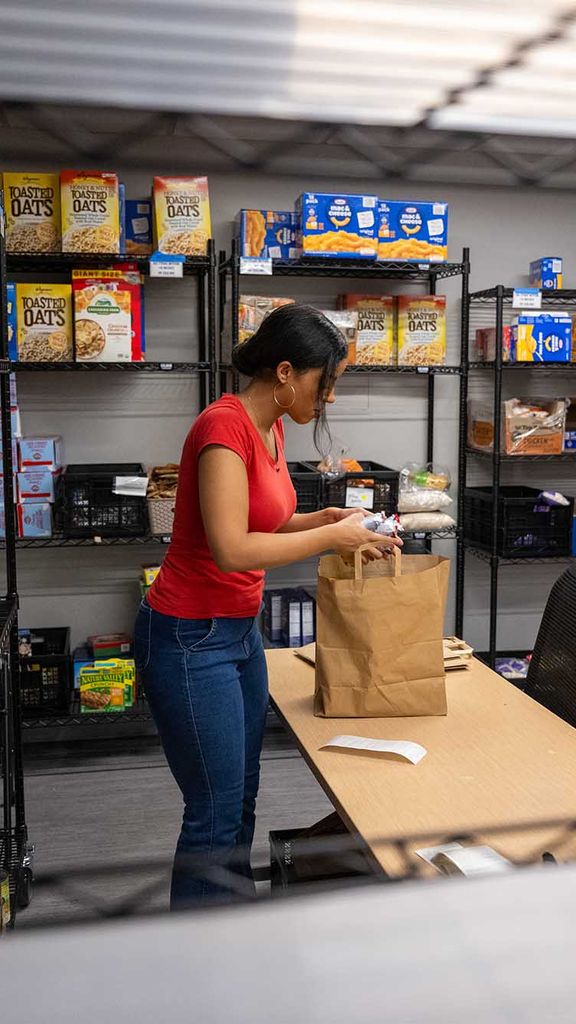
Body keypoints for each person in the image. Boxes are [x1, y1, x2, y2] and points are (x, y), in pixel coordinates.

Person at [134, 304, 402, 909]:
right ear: (285, 372)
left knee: (244, 796)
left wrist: (325, 518)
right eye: (323, 381)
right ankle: (202, 960)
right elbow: (232, 548)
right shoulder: (222, 427)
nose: (327, 396)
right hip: (187, 637)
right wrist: (334, 540)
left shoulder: (272, 426)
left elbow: (269, 521)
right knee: (213, 811)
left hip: (237, 633)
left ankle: (230, 928)